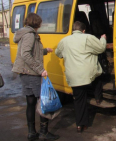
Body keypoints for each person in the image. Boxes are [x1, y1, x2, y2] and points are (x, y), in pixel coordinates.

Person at [12, 13, 59, 141]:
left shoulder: (25, 33)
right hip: (31, 73)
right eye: (40, 22)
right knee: (43, 101)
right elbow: (26, 54)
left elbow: (32, 52)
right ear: (36, 23)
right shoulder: (30, 35)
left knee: (31, 103)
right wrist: (40, 70)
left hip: (25, 73)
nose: (41, 24)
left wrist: (44, 50)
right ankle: (43, 132)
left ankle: (32, 133)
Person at [55, 21, 107, 133]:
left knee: (79, 101)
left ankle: (80, 125)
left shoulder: (64, 40)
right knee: (98, 74)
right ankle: (98, 98)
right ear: (83, 31)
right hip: (87, 74)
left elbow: (58, 53)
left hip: (73, 76)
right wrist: (103, 38)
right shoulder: (88, 37)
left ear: (74, 30)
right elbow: (101, 48)